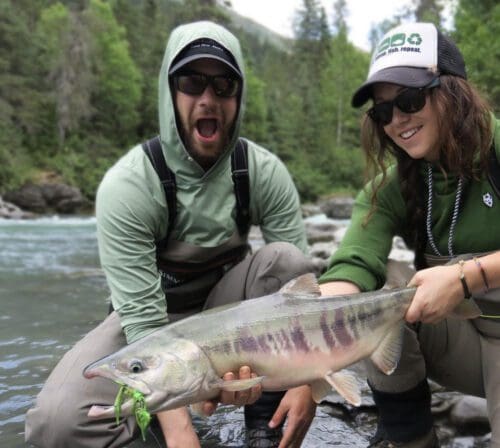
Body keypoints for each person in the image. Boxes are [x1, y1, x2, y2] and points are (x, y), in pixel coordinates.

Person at [25, 20, 317, 448]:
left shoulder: (263, 172)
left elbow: (302, 299)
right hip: (149, 322)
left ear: (238, 97)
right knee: (56, 424)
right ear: (170, 91)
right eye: (191, 82)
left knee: (285, 259)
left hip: (229, 320)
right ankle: (153, 430)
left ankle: (264, 426)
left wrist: (307, 382)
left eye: (223, 85)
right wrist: (181, 431)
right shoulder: (129, 185)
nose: (207, 98)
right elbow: (144, 322)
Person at [318, 22, 500, 448]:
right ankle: (411, 440)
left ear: (452, 91)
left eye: (410, 100)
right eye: (383, 112)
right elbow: (352, 266)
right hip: (463, 344)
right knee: (374, 299)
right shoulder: (389, 188)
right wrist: (308, 355)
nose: (397, 120)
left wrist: (463, 278)